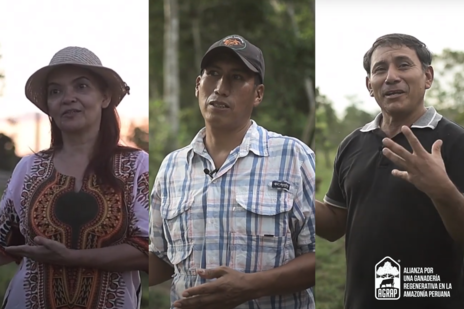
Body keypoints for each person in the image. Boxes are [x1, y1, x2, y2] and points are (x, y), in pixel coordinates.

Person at [149, 34, 316, 309]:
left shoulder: (292, 157)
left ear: (258, 93)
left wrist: (253, 285)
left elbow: (315, 257)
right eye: (213, 74)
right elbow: (160, 258)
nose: (220, 88)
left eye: (237, 77)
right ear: (197, 85)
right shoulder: (171, 167)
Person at [316, 33, 464, 309]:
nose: (391, 76)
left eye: (404, 65)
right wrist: (295, 200)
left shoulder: (455, 141)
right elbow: (336, 223)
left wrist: (440, 189)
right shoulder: (352, 144)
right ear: (369, 85)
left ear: (428, 77)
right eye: (380, 69)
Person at [0, 46, 149, 309]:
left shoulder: (137, 165)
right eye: (55, 91)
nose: (67, 98)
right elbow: (5, 240)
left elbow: (151, 250)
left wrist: (73, 257)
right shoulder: (28, 168)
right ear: (49, 106)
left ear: (105, 98)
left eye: (81, 86)